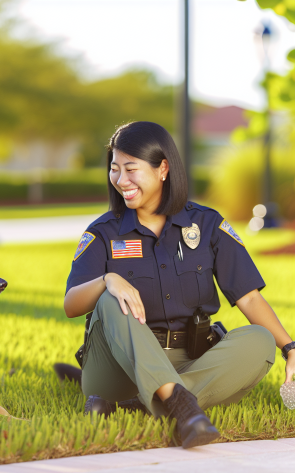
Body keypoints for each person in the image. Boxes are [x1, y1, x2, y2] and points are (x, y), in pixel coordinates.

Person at [61, 121, 295, 449]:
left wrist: (290, 348)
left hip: (189, 355)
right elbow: (72, 305)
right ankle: (182, 405)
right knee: (113, 299)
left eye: (131, 169)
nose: (120, 180)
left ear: (163, 169)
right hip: (116, 369)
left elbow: (249, 298)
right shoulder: (103, 232)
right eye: (114, 169)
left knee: (258, 339)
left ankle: (141, 405)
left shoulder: (208, 224)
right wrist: (107, 280)